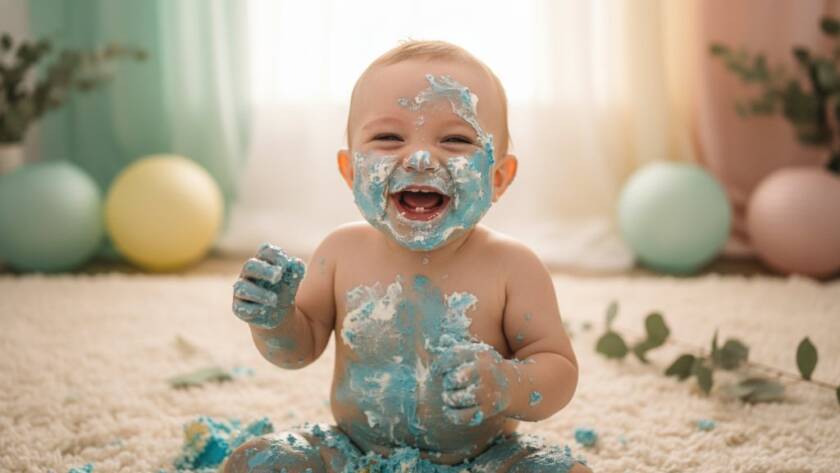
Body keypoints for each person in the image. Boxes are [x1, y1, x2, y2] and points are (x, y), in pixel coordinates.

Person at [225, 40, 590, 473]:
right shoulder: (340, 253)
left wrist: (508, 384)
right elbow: (296, 352)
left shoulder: (513, 267)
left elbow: (558, 369)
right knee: (257, 461)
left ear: (498, 178)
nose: (418, 157)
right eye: (388, 137)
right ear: (350, 171)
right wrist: (274, 320)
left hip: (486, 458)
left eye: (455, 139)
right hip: (353, 452)